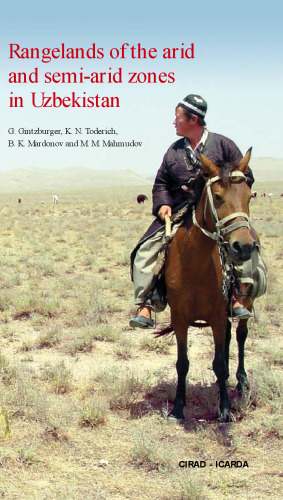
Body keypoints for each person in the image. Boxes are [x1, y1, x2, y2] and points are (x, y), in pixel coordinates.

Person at [129, 94, 256, 329]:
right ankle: (146, 303)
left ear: (193, 119)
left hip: (219, 211)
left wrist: (227, 188)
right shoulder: (174, 151)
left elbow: (244, 175)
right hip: (180, 211)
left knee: (247, 244)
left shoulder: (223, 144)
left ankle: (241, 296)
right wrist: (162, 204)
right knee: (145, 250)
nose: (174, 122)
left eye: (177, 117)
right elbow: (161, 183)